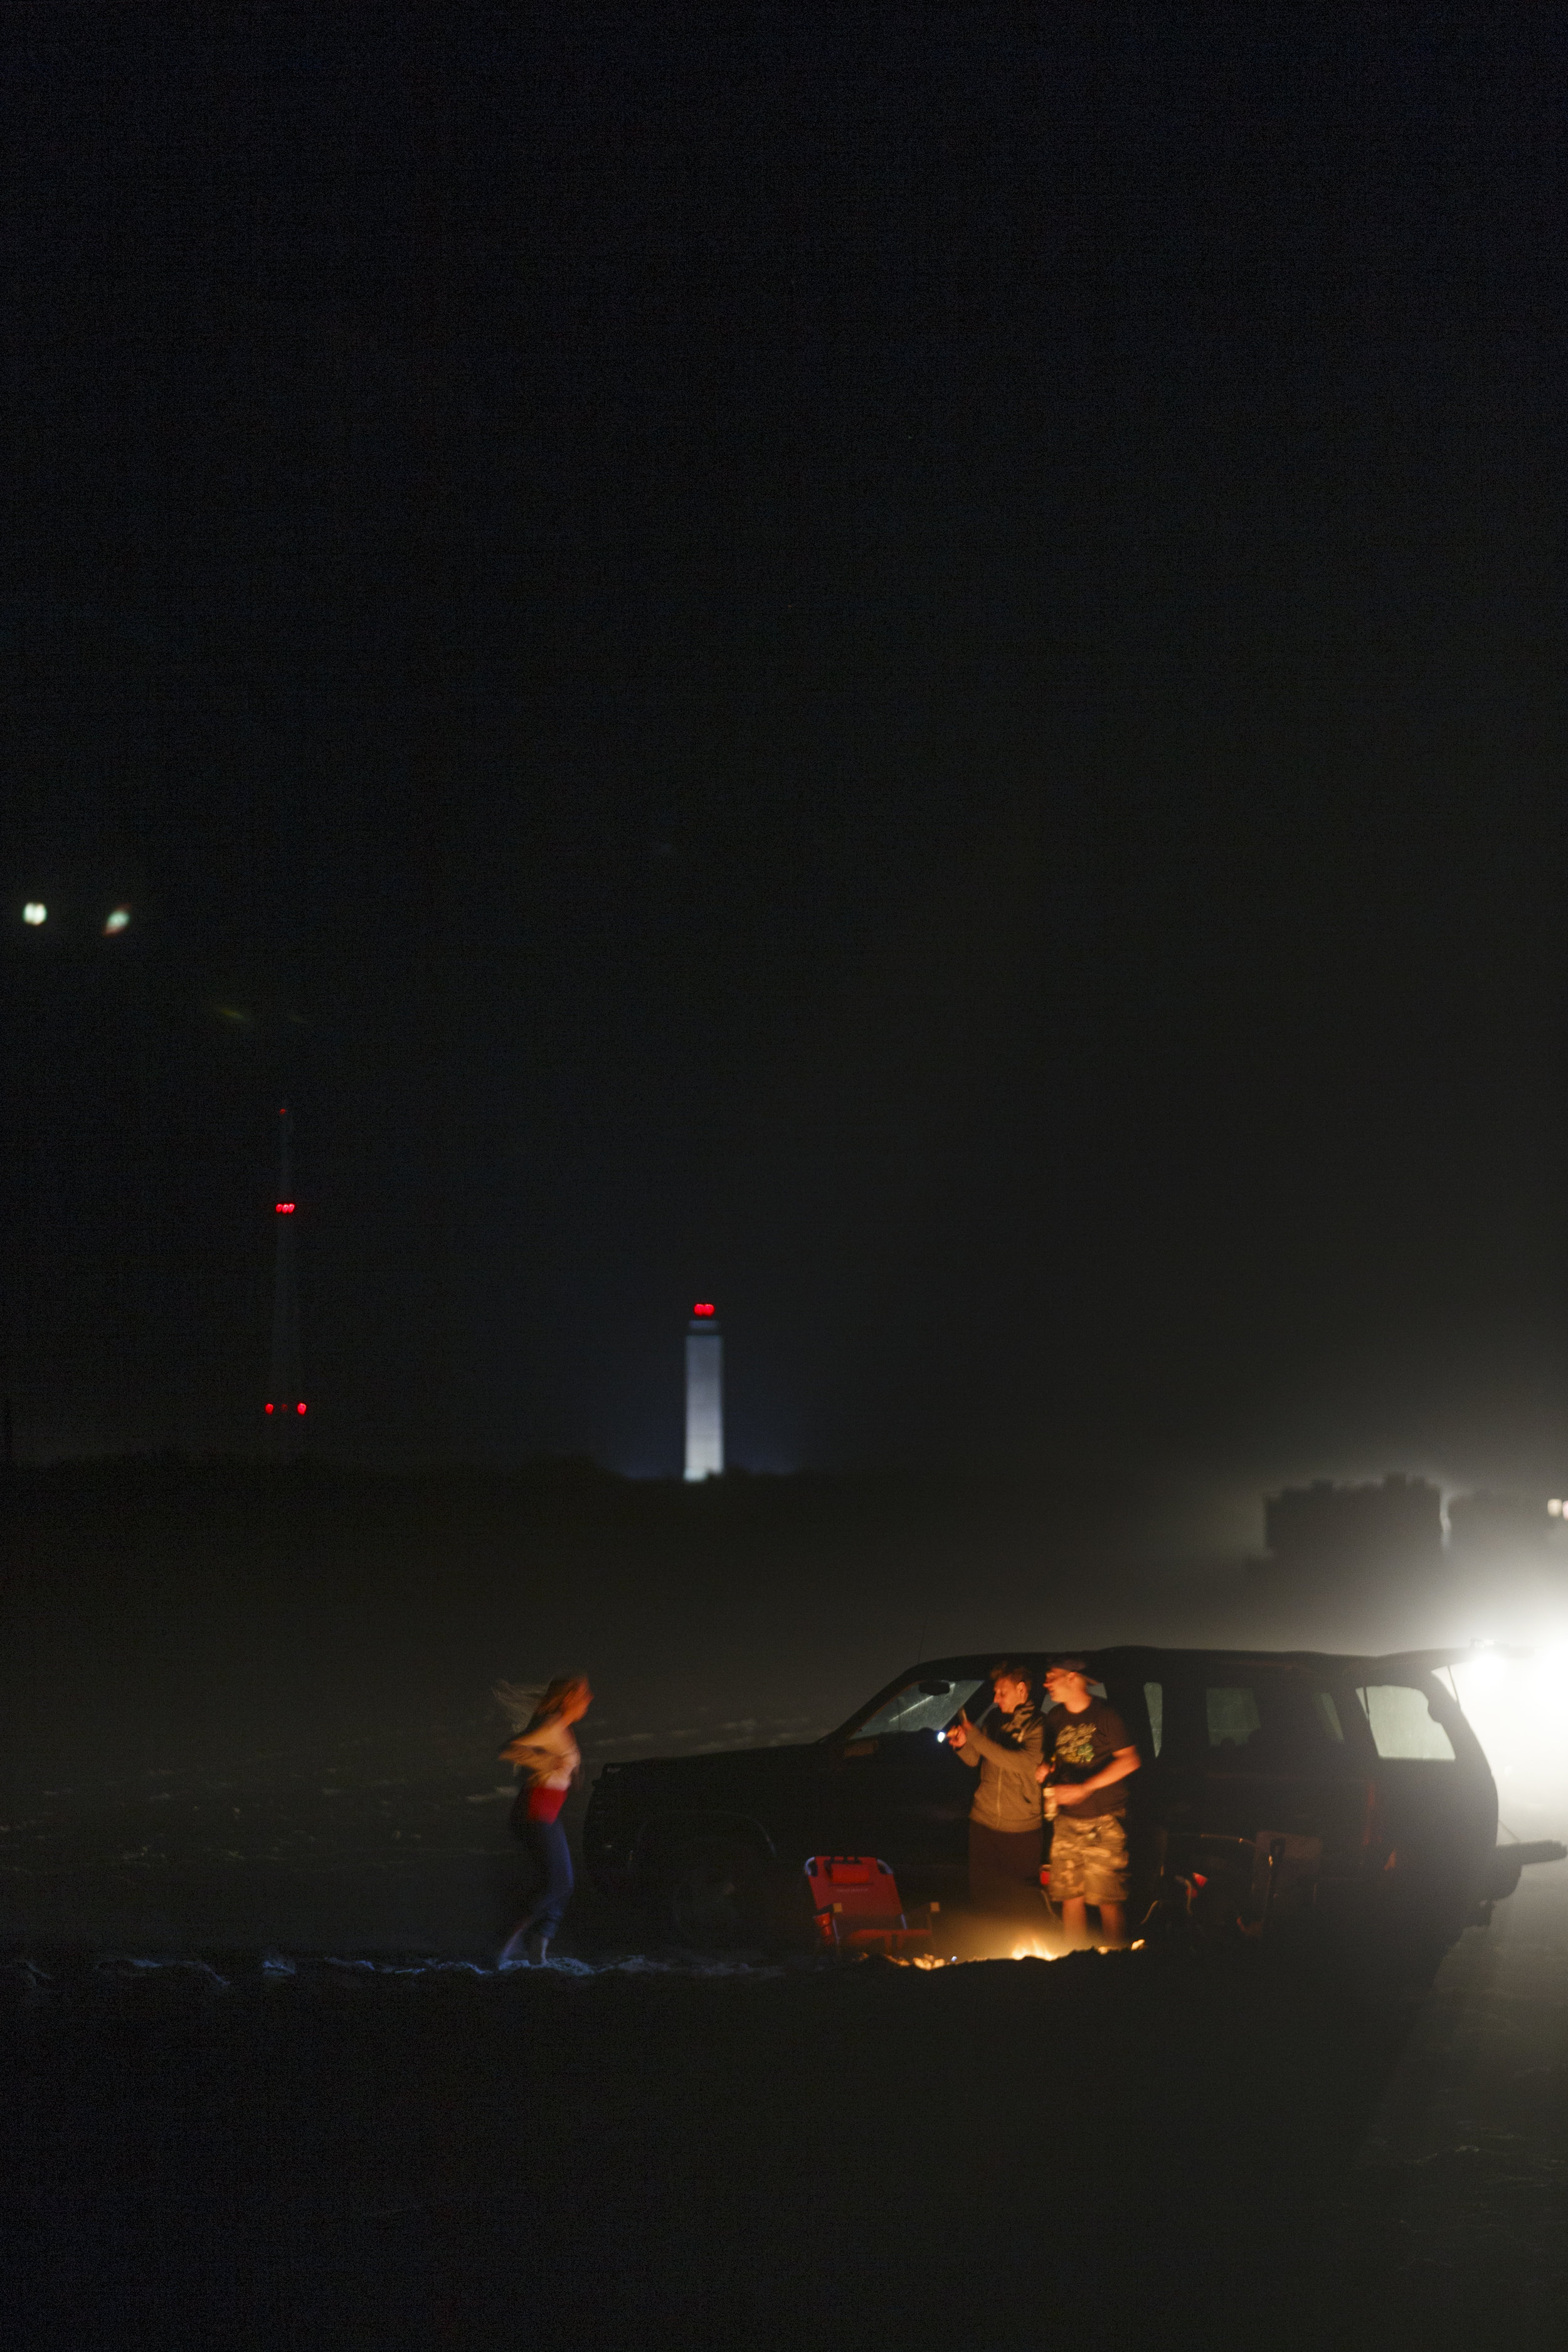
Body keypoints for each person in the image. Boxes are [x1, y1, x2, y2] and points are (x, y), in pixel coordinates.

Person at [1036, 1657, 1140, 1946]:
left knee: (1108, 1899)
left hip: (1104, 1821)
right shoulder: (1055, 1718)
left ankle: (1118, 1962)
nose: (1046, 1684)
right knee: (1070, 1897)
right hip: (1067, 1821)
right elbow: (1056, 1759)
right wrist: (1048, 1770)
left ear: (1072, 1678)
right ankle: (1074, 1961)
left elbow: (1130, 1760)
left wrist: (1085, 1787)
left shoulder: (1106, 1715)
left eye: (1051, 1676)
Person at [495, 1675, 592, 1968]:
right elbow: (510, 1748)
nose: (588, 1700)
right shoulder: (551, 1725)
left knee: (564, 1884)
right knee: (558, 1883)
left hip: (548, 1812)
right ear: (568, 1698)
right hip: (534, 1811)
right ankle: (508, 1940)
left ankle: (539, 1948)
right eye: (583, 1695)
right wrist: (547, 1763)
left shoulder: (563, 1730)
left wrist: (571, 1774)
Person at [945, 1662, 1046, 1923]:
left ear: (1022, 1689)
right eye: (995, 1692)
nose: (995, 1698)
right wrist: (963, 1745)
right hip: (984, 1822)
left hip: (1022, 1829)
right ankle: (986, 1957)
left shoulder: (1038, 1725)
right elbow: (975, 1760)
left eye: (1002, 1692)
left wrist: (978, 1739)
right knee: (985, 1899)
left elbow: (1022, 1763)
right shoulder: (993, 1720)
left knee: (1021, 1902)